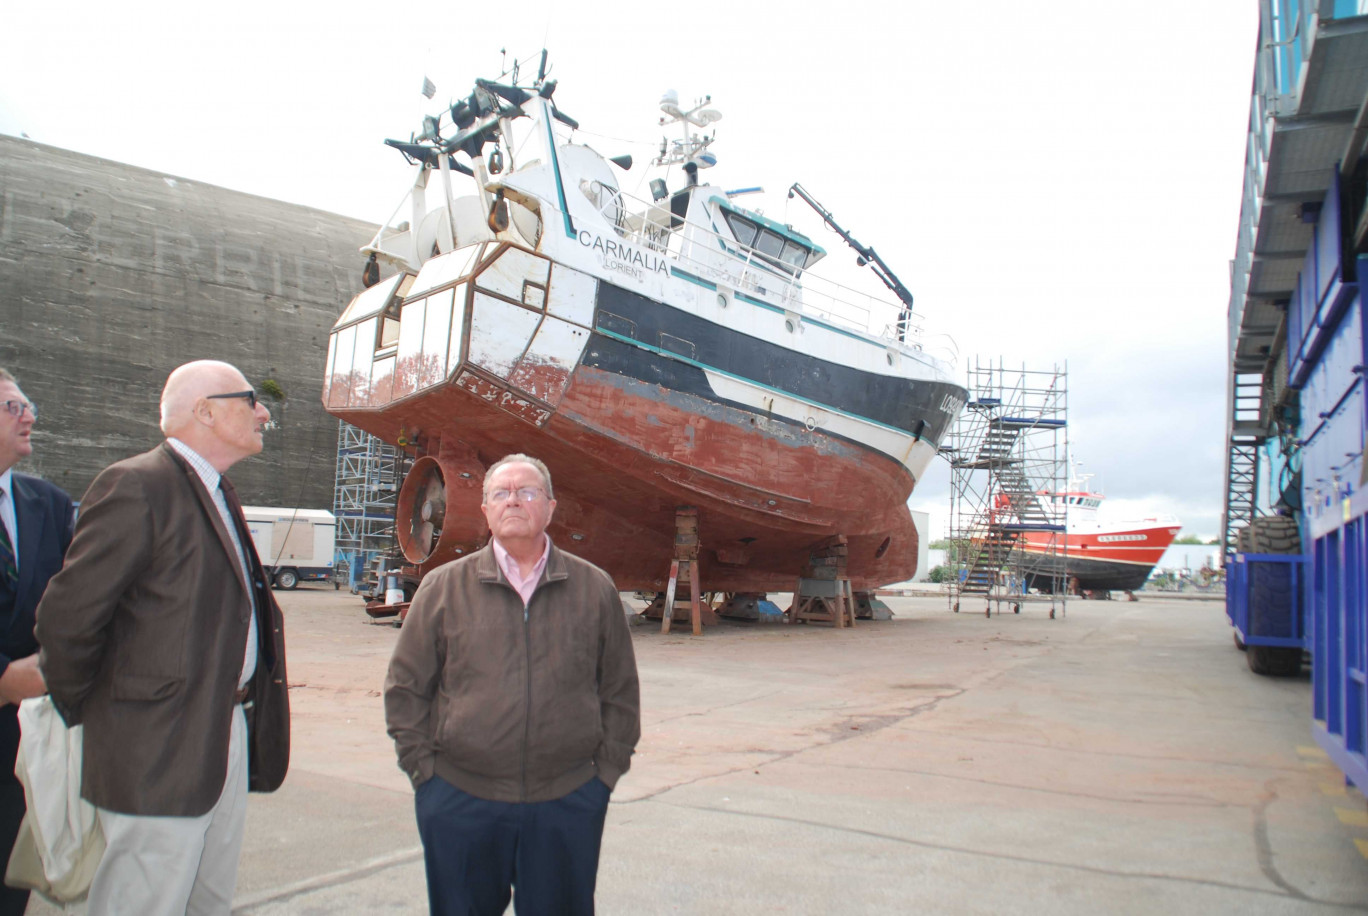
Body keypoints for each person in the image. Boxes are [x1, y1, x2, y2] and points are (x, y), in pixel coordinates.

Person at [35, 359, 290, 915]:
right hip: (155, 745)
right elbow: (68, 618)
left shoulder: (218, 490)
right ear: (205, 411)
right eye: (250, 400)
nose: (263, 411)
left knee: (207, 900)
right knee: (143, 901)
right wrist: (106, 713)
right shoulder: (137, 485)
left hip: (224, 731)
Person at [385, 453, 640, 916]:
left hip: (567, 800)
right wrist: (426, 776)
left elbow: (619, 691)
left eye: (527, 492)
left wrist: (602, 777)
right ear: (485, 510)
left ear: (550, 506)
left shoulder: (594, 588)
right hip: (461, 800)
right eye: (500, 493)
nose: (514, 501)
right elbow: (405, 688)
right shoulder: (443, 588)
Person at [0, 369, 75, 915]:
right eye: (11, 407)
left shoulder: (47, 504)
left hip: (22, 740)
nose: (29, 415)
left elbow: (79, 601)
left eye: (28, 404)